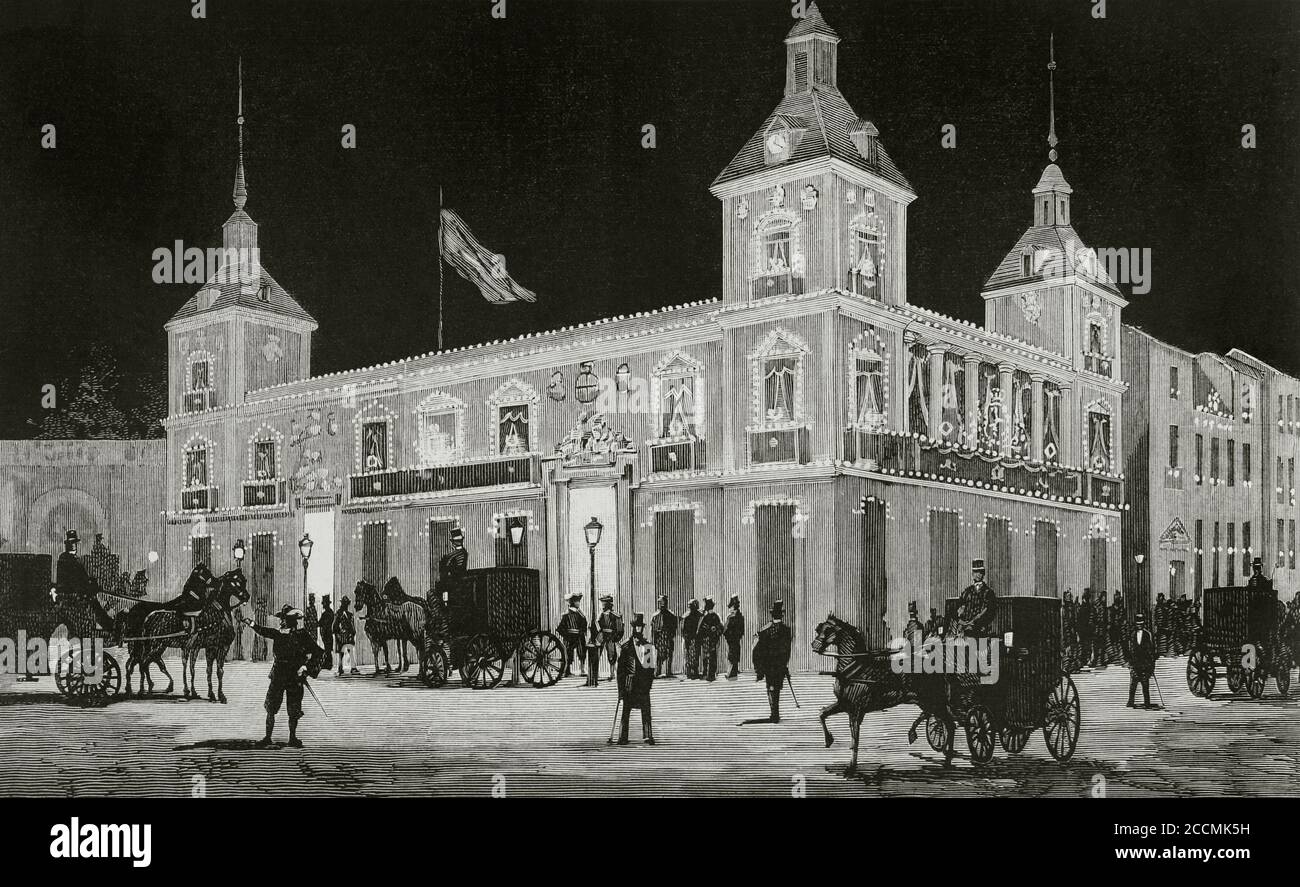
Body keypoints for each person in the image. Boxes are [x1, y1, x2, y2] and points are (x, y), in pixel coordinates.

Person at [244, 605, 324, 748]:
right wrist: (252, 624)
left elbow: (319, 653)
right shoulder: (278, 634)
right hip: (278, 674)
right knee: (271, 707)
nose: (281, 622)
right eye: (281, 619)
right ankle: (268, 737)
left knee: (293, 709)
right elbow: (264, 631)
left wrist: (306, 667)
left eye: (284, 619)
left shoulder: (302, 635)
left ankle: (292, 738)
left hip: (295, 676)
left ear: (291, 621)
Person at [55, 530, 117, 633]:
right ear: (68, 545)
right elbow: (77, 580)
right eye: (71, 543)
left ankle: (108, 625)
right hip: (74, 594)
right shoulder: (68, 559)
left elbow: (82, 578)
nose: (73, 545)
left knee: (95, 602)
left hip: (76, 592)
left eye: (74, 543)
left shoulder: (72, 559)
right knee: (94, 603)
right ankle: (110, 627)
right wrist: (90, 586)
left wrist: (91, 583)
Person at [615, 613, 656, 745]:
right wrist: (620, 690)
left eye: (640, 627)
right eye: (636, 627)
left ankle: (648, 735)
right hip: (629, 684)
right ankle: (623, 736)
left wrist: (648, 685)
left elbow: (650, 669)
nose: (638, 629)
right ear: (632, 628)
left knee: (646, 710)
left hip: (642, 685)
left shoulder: (648, 646)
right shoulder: (626, 646)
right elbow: (620, 671)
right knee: (626, 710)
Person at [752, 600, 792, 723]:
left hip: (769, 665)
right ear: (782, 615)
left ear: (772, 615)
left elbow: (757, 650)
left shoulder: (764, 630)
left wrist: (759, 668)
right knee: (777, 687)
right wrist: (785, 664)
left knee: (770, 687)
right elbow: (787, 650)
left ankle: (774, 713)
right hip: (780, 665)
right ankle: (775, 713)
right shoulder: (786, 630)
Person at [157, 561, 214, 636]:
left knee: (176, 605)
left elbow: (209, 583)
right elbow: (189, 589)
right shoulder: (197, 575)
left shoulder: (201, 575)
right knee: (173, 605)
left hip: (193, 600)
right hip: (189, 598)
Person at [954, 559, 997, 638]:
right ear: (972, 574)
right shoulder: (967, 592)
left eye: (980, 572)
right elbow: (960, 608)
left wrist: (974, 622)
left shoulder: (988, 592)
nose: (978, 575)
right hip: (966, 628)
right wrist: (961, 622)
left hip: (981, 629)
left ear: (983, 574)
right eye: (976, 572)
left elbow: (988, 612)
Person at [1124, 611, 1158, 709]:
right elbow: (1130, 650)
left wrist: (1151, 664)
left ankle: (1147, 702)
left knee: (1145, 683)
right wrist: (1130, 663)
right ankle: (1131, 701)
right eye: (1138, 624)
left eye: (1141, 624)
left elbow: (1151, 650)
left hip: (1144, 663)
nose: (1139, 625)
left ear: (1143, 624)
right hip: (1135, 663)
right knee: (1133, 683)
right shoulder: (1132, 635)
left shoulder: (1148, 635)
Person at [556, 592, 588, 678]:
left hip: (579, 636)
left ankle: (582, 669)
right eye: (576, 601)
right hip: (569, 637)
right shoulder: (566, 615)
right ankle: (567, 671)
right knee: (567, 653)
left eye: (578, 601)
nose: (578, 603)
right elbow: (560, 628)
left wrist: (582, 632)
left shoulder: (581, 614)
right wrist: (566, 635)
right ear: (572, 602)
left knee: (582, 652)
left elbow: (584, 625)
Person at [697, 596, 724, 682]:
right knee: (711, 656)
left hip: (707, 640)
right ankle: (710, 674)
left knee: (707, 657)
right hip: (712, 640)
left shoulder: (706, 617)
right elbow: (720, 628)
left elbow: (700, 630)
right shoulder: (715, 616)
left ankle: (707, 674)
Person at [597, 594, 624, 681]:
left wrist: (616, 638)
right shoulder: (601, 615)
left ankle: (612, 673)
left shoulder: (616, 615)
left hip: (611, 637)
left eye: (604, 604)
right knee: (597, 653)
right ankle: (596, 673)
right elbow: (597, 625)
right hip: (601, 635)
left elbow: (620, 629)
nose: (602, 606)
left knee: (612, 655)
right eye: (602, 604)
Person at [651, 595, 677, 678]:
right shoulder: (655, 616)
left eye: (663, 603)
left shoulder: (671, 616)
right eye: (660, 603)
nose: (662, 605)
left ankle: (668, 671)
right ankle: (658, 671)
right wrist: (654, 639)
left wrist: (670, 635)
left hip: (668, 637)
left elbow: (674, 627)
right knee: (659, 655)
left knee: (669, 654)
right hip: (659, 638)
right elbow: (653, 629)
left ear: (666, 603)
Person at [333, 596, 359, 676]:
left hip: (348, 635)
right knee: (341, 653)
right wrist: (337, 633)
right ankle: (340, 668)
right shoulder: (338, 614)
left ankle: (353, 668)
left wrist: (353, 633)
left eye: (346, 604)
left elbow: (352, 627)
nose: (345, 605)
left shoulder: (349, 614)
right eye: (344, 604)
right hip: (341, 635)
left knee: (350, 651)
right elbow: (334, 625)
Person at [724, 595, 745, 680]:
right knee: (734, 655)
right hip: (734, 640)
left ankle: (732, 673)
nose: (729, 609)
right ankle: (733, 673)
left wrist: (728, 635)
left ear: (733, 607)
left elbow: (726, 629)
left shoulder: (732, 618)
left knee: (732, 656)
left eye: (731, 607)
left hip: (732, 640)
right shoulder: (739, 617)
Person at [682, 599, 702, 680]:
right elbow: (683, 629)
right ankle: (691, 672)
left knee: (692, 655)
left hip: (692, 638)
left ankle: (691, 673)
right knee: (693, 655)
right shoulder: (689, 616)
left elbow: (683, 629)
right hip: (691, 638)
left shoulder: (688, 616)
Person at [1076, 589, 1096, 670]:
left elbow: (1092, 618)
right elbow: (1078, 619)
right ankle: (1084, 660)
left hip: (1087, 630)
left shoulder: (1089, 607)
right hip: (1083, 630)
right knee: (1084, 645)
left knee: (1087, 645)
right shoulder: (1082, 607)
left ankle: (1087, 660)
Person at [318, 595, 335, 671]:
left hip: (327, 633)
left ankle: (328, 664)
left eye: (324, 603)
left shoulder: (327, 613)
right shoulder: (329, 612)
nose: (323, 605)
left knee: (327, 649)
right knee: (327, 648)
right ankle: (328, 663)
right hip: (326, 633)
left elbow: (321, 623)